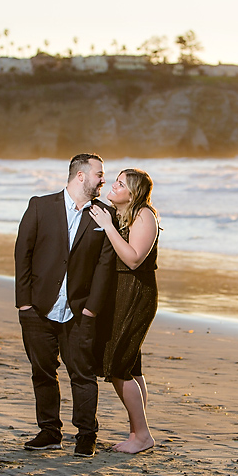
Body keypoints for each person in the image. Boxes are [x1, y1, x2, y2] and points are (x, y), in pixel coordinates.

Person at [14, 153, 117, 458]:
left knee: (82, 373)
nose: (103, 180)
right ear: (81, 176)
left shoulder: (104, 215)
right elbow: (24, 254)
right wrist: (24, 304)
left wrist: (92, 309)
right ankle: (49, 432)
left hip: (80, 310)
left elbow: (104, 266)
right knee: (42, 371)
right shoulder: (40, 206)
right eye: (99, 174)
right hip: (38, 308)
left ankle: (86, 435)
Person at [89, 168, 159, 454]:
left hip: (136, 294)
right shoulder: (119, 214)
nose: (113, 186)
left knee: (118, 366)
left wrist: (107, 226)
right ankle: (137, 431)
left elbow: (132, 260)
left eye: (121, 184)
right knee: (131, 365)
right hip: (119, 295)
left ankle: (142, 435)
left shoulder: (144, 215)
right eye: (115, 181)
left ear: (134, 194)